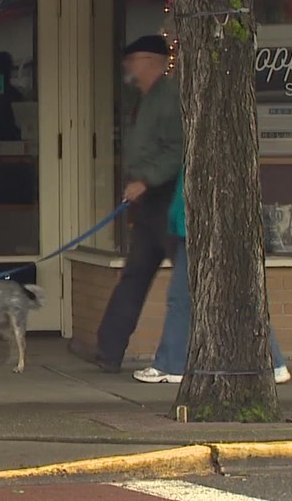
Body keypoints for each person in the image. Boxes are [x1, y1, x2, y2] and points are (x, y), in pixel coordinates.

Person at [133, 172, 292, 384]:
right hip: (207, 229)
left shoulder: (201, 152)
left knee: (184, 298)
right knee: (238, 295)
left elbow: (186, 198)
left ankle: (172, 364)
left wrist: (175, 226)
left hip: (198, 231)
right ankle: (273, 362)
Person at [95, 35, 183, 373]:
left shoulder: (169, 97)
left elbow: (176, 149)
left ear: (152, 60)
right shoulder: (144, 99)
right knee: (135, 273)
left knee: (185, 280)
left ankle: (176, 357)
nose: (129, 67)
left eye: (134, 60)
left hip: (166, 198)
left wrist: (146, 180)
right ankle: (109, 348)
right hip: (147, 201)